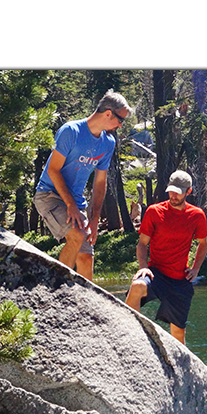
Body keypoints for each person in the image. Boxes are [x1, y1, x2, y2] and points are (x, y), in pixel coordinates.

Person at [33, 89, 132, 280]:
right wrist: (70, 205)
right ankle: (57, 289)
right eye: (121, 120)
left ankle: (85, 304)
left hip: (76, 203)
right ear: (108, 113)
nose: (120, 125)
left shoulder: (108, 142)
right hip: (49, 196)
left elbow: (100, 181)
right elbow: (53, 170)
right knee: (77, 235)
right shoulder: (71, 131)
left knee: (86, 258)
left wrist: (94, 218)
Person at [125, 170, 207, 345]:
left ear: (189, 192)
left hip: (179, 279)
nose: (173, 195)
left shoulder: (197, 215)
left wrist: (195, 269)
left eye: (178, 192)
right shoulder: (155, 212)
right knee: (138, 285)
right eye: (171, 191)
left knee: (178, 336)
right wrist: (143, 267)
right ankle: (129, 337)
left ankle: (180, 370)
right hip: (156, 273)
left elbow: (203, 243)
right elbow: (142, 244)